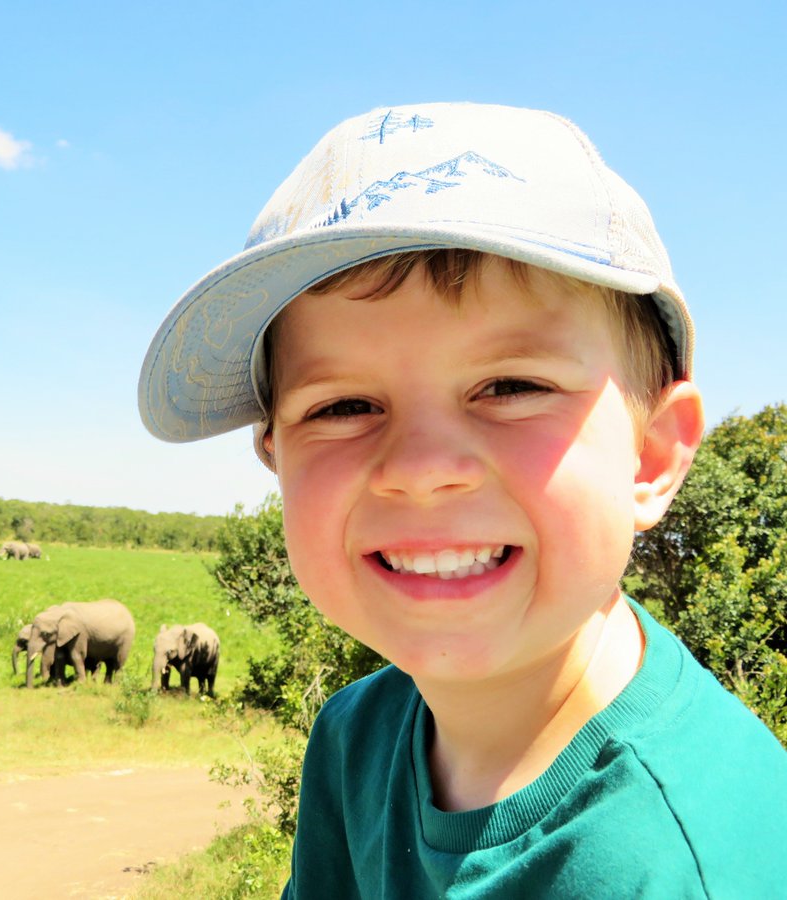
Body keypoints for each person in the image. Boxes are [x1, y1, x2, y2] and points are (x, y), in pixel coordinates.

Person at [137, 102, 787, 897]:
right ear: (276, 458)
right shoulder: (355, 739)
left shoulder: (686, 865)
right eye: (342, 407)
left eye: (511, 386)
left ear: (649, 454)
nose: (419, 469)